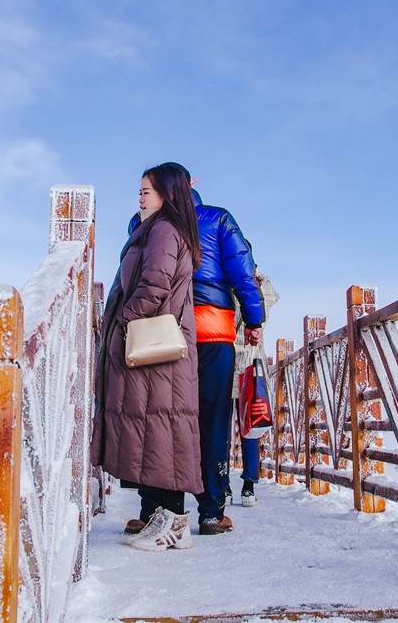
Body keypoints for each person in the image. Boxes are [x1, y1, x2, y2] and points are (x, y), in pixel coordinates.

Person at [125, 172, 266, 536]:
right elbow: (243, 272)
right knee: (212, 420)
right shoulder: (218, 219)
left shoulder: (147, 222)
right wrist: (254, 319)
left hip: (163, 336)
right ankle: (210, 511)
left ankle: (155, 510)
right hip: (211, 334)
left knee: (160, 420)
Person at [93, 162, 202, 552]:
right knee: (156, 434)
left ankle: (174, 526)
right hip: (157, 353)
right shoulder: (159, 229)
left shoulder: (163, 231)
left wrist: (123, 320)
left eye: (147, 191)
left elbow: (153, 285)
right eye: (139, 190)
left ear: (167, 194)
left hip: (157, 351)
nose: (139, 197)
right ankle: (161, 520)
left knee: (165, 433)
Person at [230, 268, 279, 508]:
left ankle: (222, 485)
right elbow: (270, 297)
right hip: (251, 361)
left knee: (218, 424)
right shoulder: (257, 287)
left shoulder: (223, 283)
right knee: (250, 425)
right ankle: (248, 485)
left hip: (225, 358)